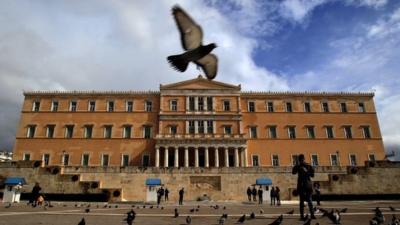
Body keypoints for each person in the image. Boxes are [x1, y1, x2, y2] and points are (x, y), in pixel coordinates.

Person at [292, 154, 316, 220]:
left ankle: (308, 215)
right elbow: (293, 172)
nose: (301, 161)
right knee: (305, 201)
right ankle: (307, 215)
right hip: (304, 185)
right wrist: (297, 166)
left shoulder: (307, 166)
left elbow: (312, 175)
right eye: (300, 160)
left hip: (305, 185)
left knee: (307, 201)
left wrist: (306, 171)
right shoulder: (300, 166)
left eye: (301, 160)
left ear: (302, 159)